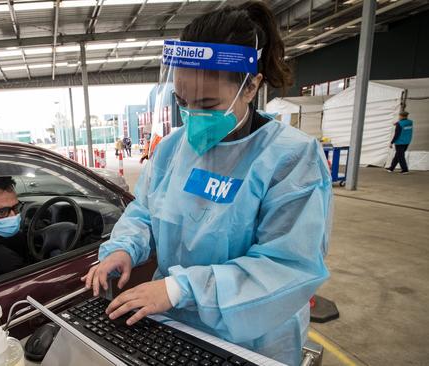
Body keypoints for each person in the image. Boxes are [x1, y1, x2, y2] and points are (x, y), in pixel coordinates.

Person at [81, 2, 332, 365]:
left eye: (209, 104)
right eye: (183, 103)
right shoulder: (171, 149)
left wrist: (180, 287)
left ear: (251, 87)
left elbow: (288, 266)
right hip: (175, 324)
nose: (194, 116)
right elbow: (145, 212)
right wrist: (124, 247)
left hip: (252, 338)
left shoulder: (291, 160)